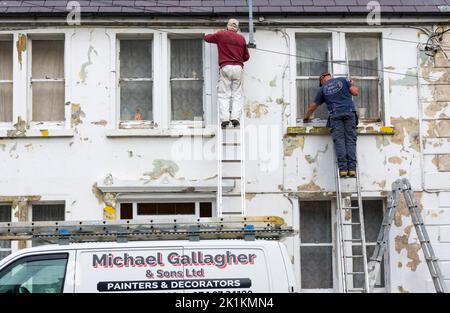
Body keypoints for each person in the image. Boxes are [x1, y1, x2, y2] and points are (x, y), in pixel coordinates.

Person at [303, 72, 360, 178]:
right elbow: (355, 92)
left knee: (339, 141)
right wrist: (351, 84)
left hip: (335, 114)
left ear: (322, 80)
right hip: (349, 112)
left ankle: (343, 170)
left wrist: (306, 117)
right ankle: (352, 169)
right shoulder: (343, 80)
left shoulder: (322, 89)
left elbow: (313, 106)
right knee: (350, 140)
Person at [204, 18, 250, 128]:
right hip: (238, 68)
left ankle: (225, 118)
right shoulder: (242, 39)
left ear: (227, 26)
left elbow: (207, 38)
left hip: (225, 67)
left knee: (224, 94)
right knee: (237, 94)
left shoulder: (221, 35)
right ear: (237, 28)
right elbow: (246, 57)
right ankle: (235, 117)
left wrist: (218, 33)